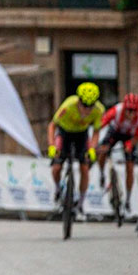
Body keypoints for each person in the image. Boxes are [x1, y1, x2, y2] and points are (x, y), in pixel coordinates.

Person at [48, 82, 105, 221]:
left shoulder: (99, 110)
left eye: (90, 106)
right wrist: (51, 146)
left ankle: (80, 205)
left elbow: (96, 131)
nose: (87, 110)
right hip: (64, 133)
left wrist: (92, 148)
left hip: (81, 135)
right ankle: (57, 190)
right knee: (56, 167)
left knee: (84, 168)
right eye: (84, 105)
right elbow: (52, 125)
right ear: (78, 101)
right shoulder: (68, 106)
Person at [96, 93, 138, 213]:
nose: (131, 113)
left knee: (130, 166)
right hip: (115, 131)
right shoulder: (116, 110)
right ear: (124, 108)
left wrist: (130, 145)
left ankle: (127, 199)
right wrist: (98, 143)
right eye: (129, 110)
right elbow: (101, 124)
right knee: (103, 151)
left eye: (134, 110)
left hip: (129, 136)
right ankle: (102, 173)